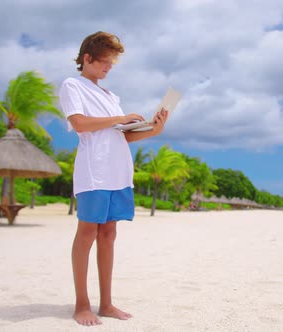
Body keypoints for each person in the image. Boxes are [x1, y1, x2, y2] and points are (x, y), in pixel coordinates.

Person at [59, 31, 169, 326]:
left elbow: (121, 136)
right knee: (87, 234)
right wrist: (118, 119)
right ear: (87, 58)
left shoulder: (110, 96)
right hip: (94, 173)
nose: (109, 67)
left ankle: (105, 304)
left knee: (109, 235)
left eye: (112, 62)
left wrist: (153, 129)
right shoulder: (73, 85)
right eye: (105, 61)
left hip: (119, 172)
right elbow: (80, 123)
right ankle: (82, 304)